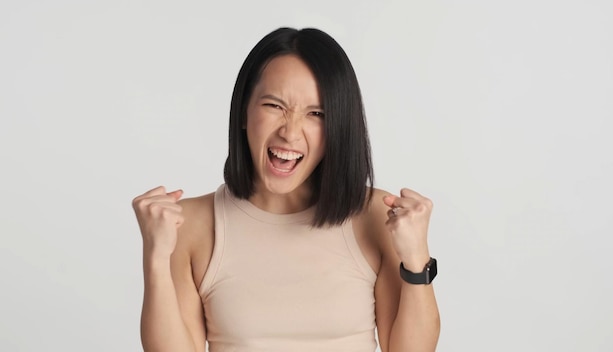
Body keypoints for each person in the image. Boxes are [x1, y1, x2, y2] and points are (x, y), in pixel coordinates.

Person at [132, 27, 440, 352]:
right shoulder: (190, 225)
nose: (290, 133)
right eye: (275, 106)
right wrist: (155, 257)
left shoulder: (375, 216)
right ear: (243, 112)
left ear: (337, 128)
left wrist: (417, 256)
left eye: (316, 114)